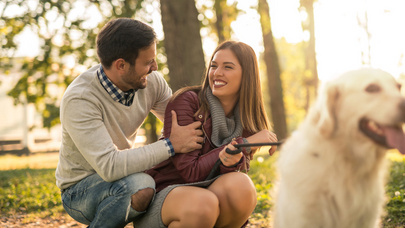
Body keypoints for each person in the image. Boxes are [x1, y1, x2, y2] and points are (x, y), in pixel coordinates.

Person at [55, 18, 204, 228]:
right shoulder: (81, 99)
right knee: (140, 186)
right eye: (148, 62)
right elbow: (110, 166)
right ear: (121, 65)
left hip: (124, 175)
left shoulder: (152, 81)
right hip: (80, 190)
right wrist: (170, 145)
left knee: (146, 182)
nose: (155, 66)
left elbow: (183, 123)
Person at [134, 40, 278, 228]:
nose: (217, 73)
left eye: (228, 67)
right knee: (204, 204)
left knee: (241, 186)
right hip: (165, 198)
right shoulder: (188, 102)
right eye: (214, 66)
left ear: (247, 76)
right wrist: (242, 143)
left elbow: (226, 176)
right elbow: (190, 173)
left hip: (206, 200)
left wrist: (231, 159)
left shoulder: (246, 120)